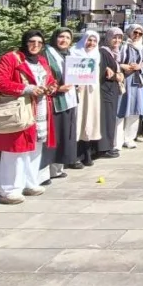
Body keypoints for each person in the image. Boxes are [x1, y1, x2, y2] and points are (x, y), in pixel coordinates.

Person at [0, 30, 58, 205]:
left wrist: (51, 87)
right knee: (15, 150)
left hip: (40, 109)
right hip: (20, 109)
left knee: (35, 147)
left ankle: (30, 182)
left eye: (40, 43)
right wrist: (27, 89)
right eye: (32, 42)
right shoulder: (11, 58)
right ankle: (10, 189)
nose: (35, 45)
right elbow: (0, 82)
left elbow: (49, 80)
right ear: (25, 42)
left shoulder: (41, 60)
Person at [41, 27, 80, 182]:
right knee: (54, 136)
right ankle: (46, 171)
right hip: (54, 100)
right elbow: (43, 77)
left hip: (69, 99)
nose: (64, 40)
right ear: (55, 38)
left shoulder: (70, 54)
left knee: (65, 134)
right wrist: (57, 88)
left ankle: (57, 169)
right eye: (61, 37)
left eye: (68, 38)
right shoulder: (47, 53)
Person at [73, 30, 103, 166]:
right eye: (89, 40)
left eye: (94, 41)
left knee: (89, 120)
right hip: (78, 91)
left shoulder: (96, 54)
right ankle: (76, 154)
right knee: (78, 119)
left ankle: (87, 152)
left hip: (92, 92)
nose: (91, 43)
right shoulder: (74, 52)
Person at [117, 24, 143, 149]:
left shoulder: (141, 48)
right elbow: (117, 62)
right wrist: (127, 67)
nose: (137, 35)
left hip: (137, 82)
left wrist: (139, 67)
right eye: (135, 32)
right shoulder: (124, 46)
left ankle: (129, 138)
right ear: (130, 33)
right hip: (126, 81)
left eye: (140, 34)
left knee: (135, 110)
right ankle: (117, 140)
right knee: (121, 110)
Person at [97, 28, 124, 158]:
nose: (117, 40)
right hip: (105, 90)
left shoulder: (113, 53)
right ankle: (104, 147)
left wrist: (118, 75)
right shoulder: (103, 52)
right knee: (106, 118)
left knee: (110, 117)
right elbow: (103, 72)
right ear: (108, 38)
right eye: (114, 37)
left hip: (111, 89)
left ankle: (109, 144)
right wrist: (115, 76)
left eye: (119, 38)